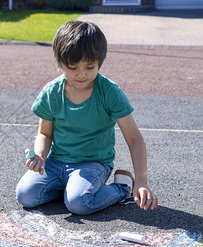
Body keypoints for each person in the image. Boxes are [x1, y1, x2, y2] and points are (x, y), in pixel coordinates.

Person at [16, 20, 158, 215]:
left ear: (100, 62)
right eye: (73, 67)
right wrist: (40, 156)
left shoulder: (109, 92)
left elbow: (134, 139)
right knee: (25, 195)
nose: (81, 74)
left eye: (90, 67)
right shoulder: (52, 92)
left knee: (79, 203)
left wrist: (141, 182)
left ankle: (123, 187)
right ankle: (70, 189)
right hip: (57, 162)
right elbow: (44, 133)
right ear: (60, 63)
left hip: (93, 163)